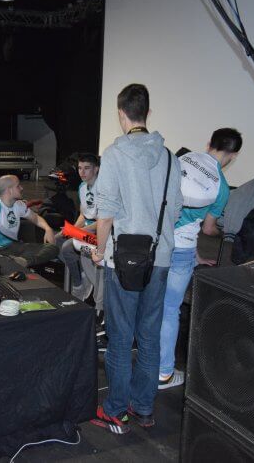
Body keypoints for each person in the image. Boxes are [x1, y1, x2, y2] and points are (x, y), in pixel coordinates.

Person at [89, 83, 183, 434]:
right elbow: (175, 210)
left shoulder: (114, 155)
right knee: (149, 335)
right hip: (160, 257)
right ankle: (143, 408)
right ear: (147, 113)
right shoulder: (170, 158)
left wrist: (100, 250)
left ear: (121, 114)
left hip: (123, 260)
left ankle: (115, 408)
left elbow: (106, 214)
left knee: (119, 336)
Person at [158, 128, 242, 390]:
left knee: (150, 302)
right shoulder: (222, 188)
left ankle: (146, 361)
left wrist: (197, 257)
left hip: (158, 242)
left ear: (208, 144)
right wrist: (223, 231)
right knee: (170, 310)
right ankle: (164, 373)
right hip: (181, 250)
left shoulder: (183, 159)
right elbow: (206, 228)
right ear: (233, 156)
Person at [0, 175, 59, 268]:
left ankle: (22, 261)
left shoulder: (19, 205)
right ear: (9, 190)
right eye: (18, 186)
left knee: (52, 248)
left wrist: (48, 229)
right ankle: (18, 262)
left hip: (14, 246)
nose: (21, 188)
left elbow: (36, 218)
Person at [57, 153, 100, 297]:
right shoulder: (82, 186)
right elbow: (83, 214)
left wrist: (76, 232)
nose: (82, 172)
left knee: (67, 247)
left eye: (87, 168)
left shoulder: (102, 188)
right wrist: (73, 229)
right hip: (87, 230)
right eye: (80, 168)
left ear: (96, 169)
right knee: (57, 239)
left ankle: (78, 285)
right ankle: (83, 273)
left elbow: (103, 222)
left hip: (100, 234)